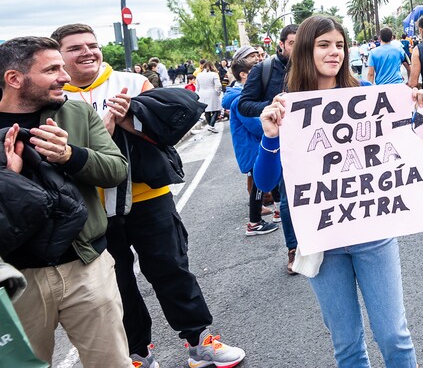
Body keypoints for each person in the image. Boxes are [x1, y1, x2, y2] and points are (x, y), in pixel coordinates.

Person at [52, 24, 244, 368]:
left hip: (145, 196)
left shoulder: (131, 82)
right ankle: (138, 353)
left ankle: (199, 341)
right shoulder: (52, 96)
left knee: (171, 269)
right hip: (90, 209)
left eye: (92, 45)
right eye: (75, 47)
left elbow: (165, 137)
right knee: (116, 285)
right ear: (59, 56)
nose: (87, 52)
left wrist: (130, 120)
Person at [254, 16, 423, 367]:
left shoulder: (365, 95)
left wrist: (420, 111)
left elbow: (409, 147)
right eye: (324, 45)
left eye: (339, 45)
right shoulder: (286, 106)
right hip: (322, 240)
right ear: (306, 49)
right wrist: (270, 137)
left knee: (394, 336)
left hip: (373, 233)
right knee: (347, 345)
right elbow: (264, 183)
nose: (334, 52)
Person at [0, 37, 133, 368]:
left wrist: (70, 155)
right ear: (14, 79)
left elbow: (116, 170)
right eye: (52, 69)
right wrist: (10, 178)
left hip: (85, 266)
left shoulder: (76, 111)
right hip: (15, 280)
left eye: (62, 66)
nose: (65, 76)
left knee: (112, 363)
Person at [237, 24, 299, 272]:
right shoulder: (262, 70)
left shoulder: (311, 65)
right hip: (281, 142)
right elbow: (244, 105)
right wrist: (271, 106)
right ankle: (294, 250)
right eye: (293, 43)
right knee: (287, 198)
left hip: (312, 142)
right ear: (281, 44)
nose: (297, 48)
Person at [222, 54, 279, 237]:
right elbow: (255, 127)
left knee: (272, 179)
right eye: (256, 74)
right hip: (252, 149)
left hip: (255, 148)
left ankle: (278, 210)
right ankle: (254, 222)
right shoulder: (240, 100)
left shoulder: (239, 97)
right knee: (259, 184)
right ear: (245, 76)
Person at [196, 61, 222, 132]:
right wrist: (218, 92)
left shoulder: (199, 75)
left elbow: (197, 86)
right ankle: (211, 125)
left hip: (202, 93)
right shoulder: (214, 74)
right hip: (212, 93)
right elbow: (218, 85)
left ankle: (210, 125)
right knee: (216, 110)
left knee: (206, 111)